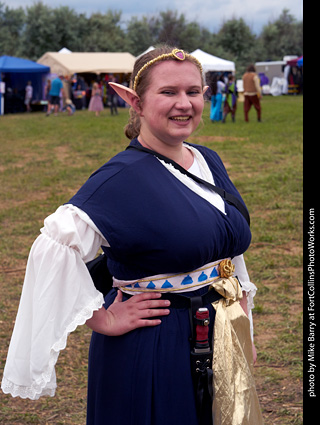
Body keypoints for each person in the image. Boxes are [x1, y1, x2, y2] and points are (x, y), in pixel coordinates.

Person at [1, 45, 264, 425]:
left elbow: (225, 248)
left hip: (218, 330)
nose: (184, 103)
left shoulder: (207, 159)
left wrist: (242, 324)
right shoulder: (119, 179)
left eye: (193, 92)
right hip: (156, 345)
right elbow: (55, 246)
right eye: (168, 92)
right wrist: (103, 319)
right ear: (135, 102)